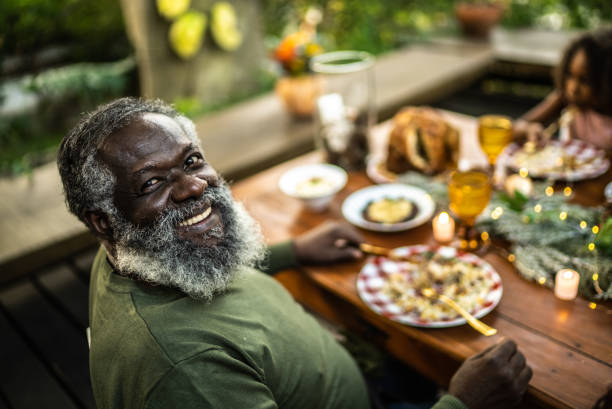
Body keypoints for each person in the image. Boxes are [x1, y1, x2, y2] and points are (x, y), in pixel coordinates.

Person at [57, 97, 532, 409]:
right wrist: (461, 404)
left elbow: (188, 263)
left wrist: (293, 251)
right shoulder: (186, 374)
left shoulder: (131, 255)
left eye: (191, 160)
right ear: (104, 220)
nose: (193, 187)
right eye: (152, 183)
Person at [513, 29, 612, 150]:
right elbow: (516, 127)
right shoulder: (565, 99)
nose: (573, 88)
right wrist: (528, 129)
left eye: (585, 80)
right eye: (570, 75)